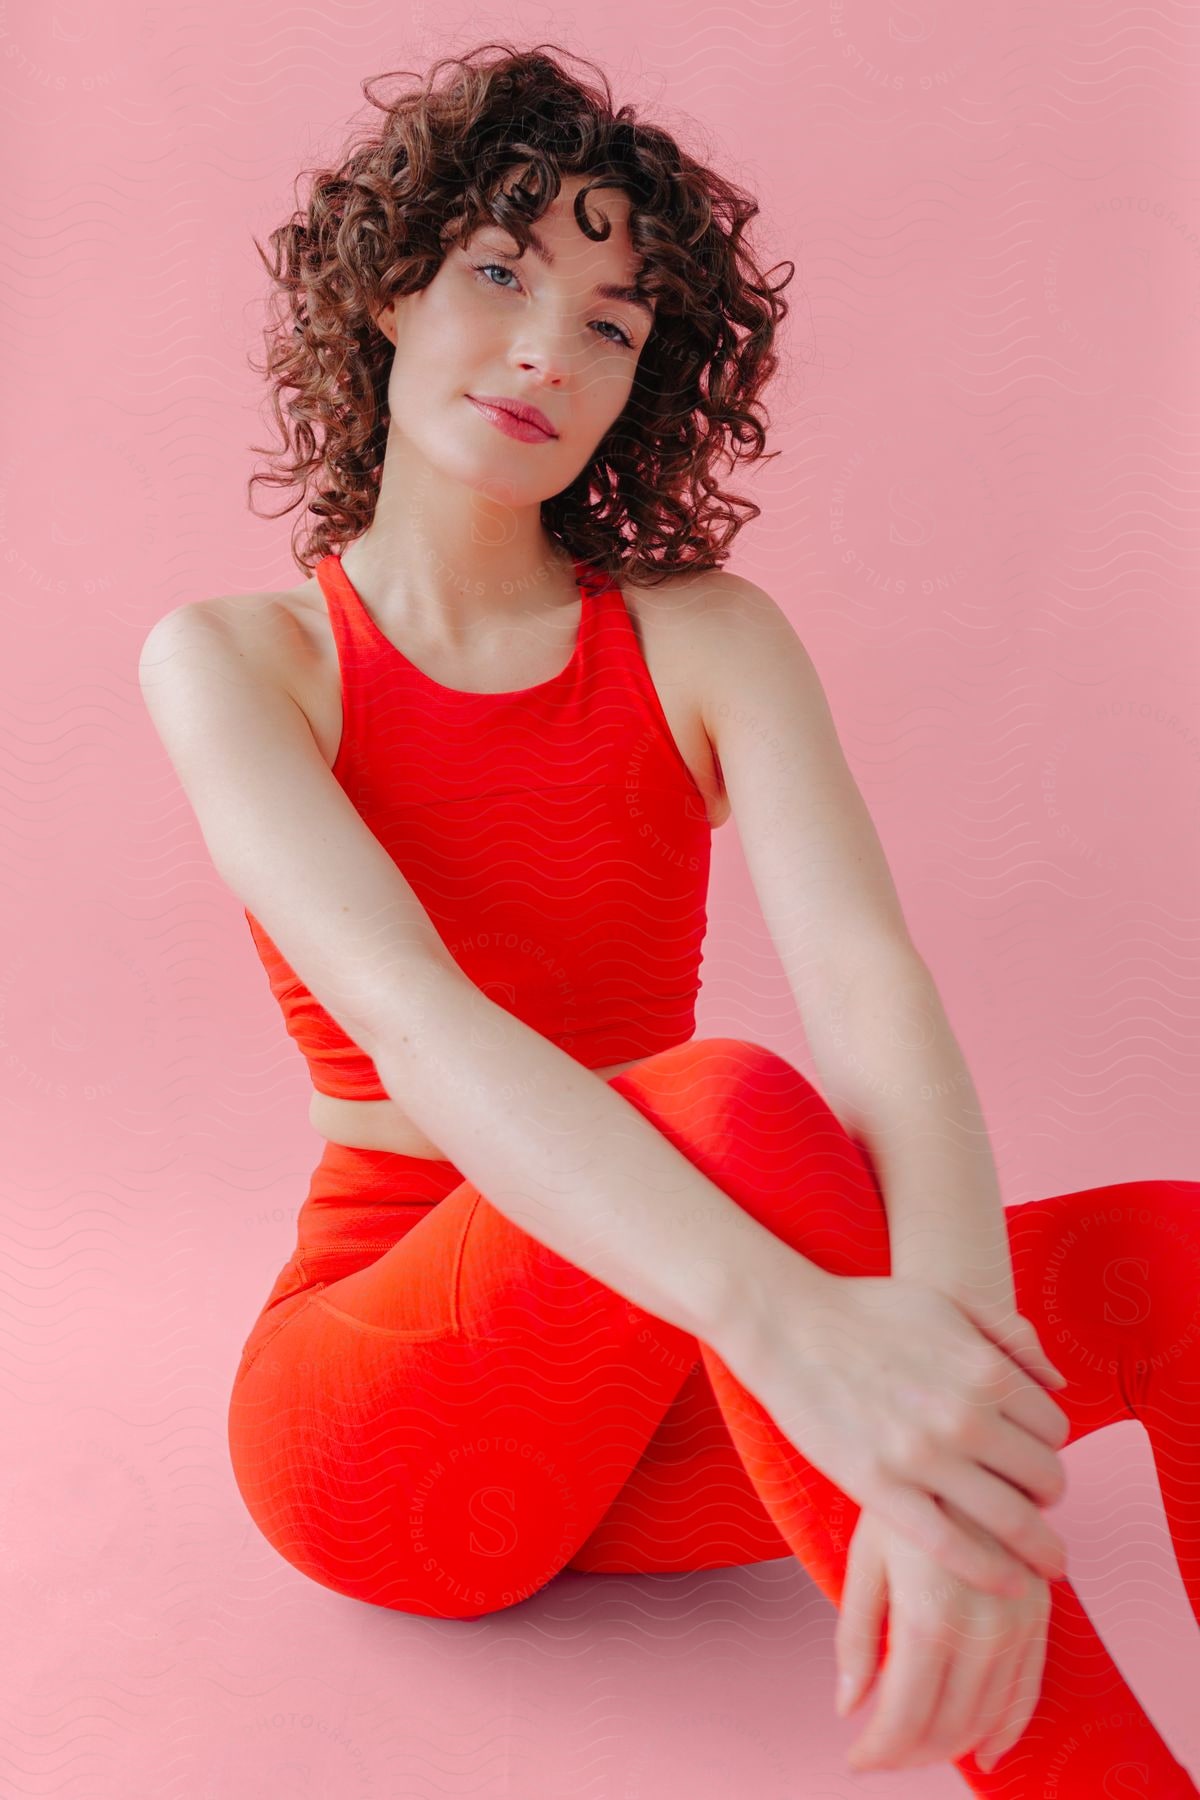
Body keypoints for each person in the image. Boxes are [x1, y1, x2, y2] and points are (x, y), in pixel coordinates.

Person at [137, 42, 1200, 1793]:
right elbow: (421, 1023)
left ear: (653, 378)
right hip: (399, 1419)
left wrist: (944, 1412)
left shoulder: (706, 638)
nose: (551, 349)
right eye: (501, 273)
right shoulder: (248, 662)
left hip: (674, 1406)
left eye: (614, 324)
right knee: (726, 1105)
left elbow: (874, 985)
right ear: (393, 289)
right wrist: (806, 1341)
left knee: (1175, 1249)